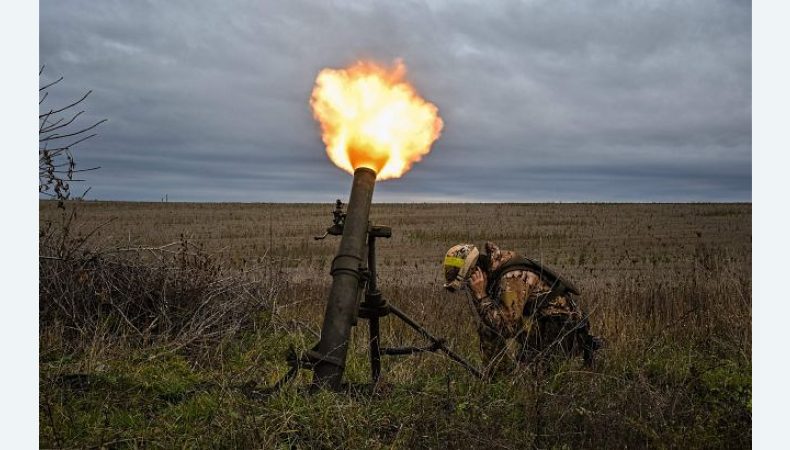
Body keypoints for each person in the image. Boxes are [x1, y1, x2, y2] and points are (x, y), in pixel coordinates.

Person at [443, 242, 600, 376]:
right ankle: (499, 379)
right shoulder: (495, 272)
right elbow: (493, 323)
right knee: (487, 330)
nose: (468, 288)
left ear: (476, 272)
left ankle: (506, 381)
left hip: (561, 332)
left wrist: (481, 296)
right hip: (542, 328)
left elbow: (507, 328)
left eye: (466, 283)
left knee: (529, 384)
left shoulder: (511, 278)